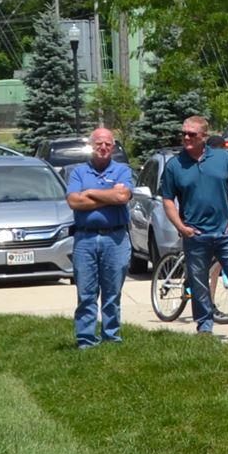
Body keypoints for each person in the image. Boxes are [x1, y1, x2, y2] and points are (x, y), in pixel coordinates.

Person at [156, 115, 228, 342]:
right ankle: (204, 326)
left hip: (225, 232)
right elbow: (167, 200)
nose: (186, 137)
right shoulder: (175, 165)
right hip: (195, 235)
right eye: (183, 133)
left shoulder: (222, 158)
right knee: (199, 282)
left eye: (191, 134)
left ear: (204, 136)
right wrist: (181, 226)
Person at [64, 125, 136, 349]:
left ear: (113, 147)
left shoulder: (122, 170)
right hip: (84, 239)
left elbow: (123, 197)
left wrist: (91, 193)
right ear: (91, 146)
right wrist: (110, 196)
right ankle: (85, 339)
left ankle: (111, 337)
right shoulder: (78, 172)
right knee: (86, 293)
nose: (103, 147)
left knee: (112, 293)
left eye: (107, 144)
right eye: (99, 143)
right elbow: (74, 201)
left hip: (116, 238)